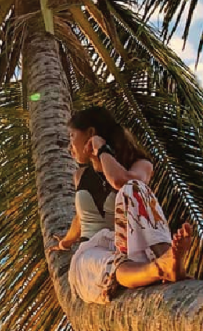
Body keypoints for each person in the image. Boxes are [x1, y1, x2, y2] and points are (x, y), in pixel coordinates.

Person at [47, 106, 193, 304]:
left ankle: (168, 257)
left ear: (90, 133)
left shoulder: (141, 165)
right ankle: (160, 268)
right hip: (93, 252)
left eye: (72, 136)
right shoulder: (80, 175)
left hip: (128, 245)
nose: (69, 146)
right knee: (107, 264)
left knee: (133, 187)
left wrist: (102, 151)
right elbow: (82, 217)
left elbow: (120, 182)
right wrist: (65, 242)